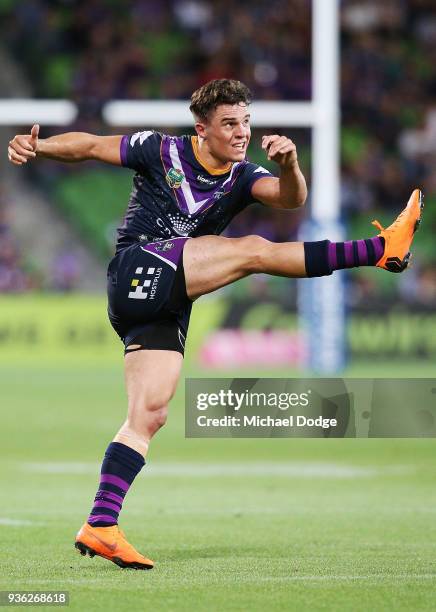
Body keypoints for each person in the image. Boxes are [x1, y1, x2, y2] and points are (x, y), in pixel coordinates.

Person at [8, 79, 423, 570]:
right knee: (252, 252)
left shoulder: (244, 176)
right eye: (229, 124)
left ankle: (101, 524)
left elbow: (289, 199)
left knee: (150, 414)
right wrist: (41, 146)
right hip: (138, 266)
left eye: (245, 122)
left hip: (166, 302)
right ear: (201, 129)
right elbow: (93, 146)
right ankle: (378, 250)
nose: (241, 133)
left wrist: (289, 164)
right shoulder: (159, 150)